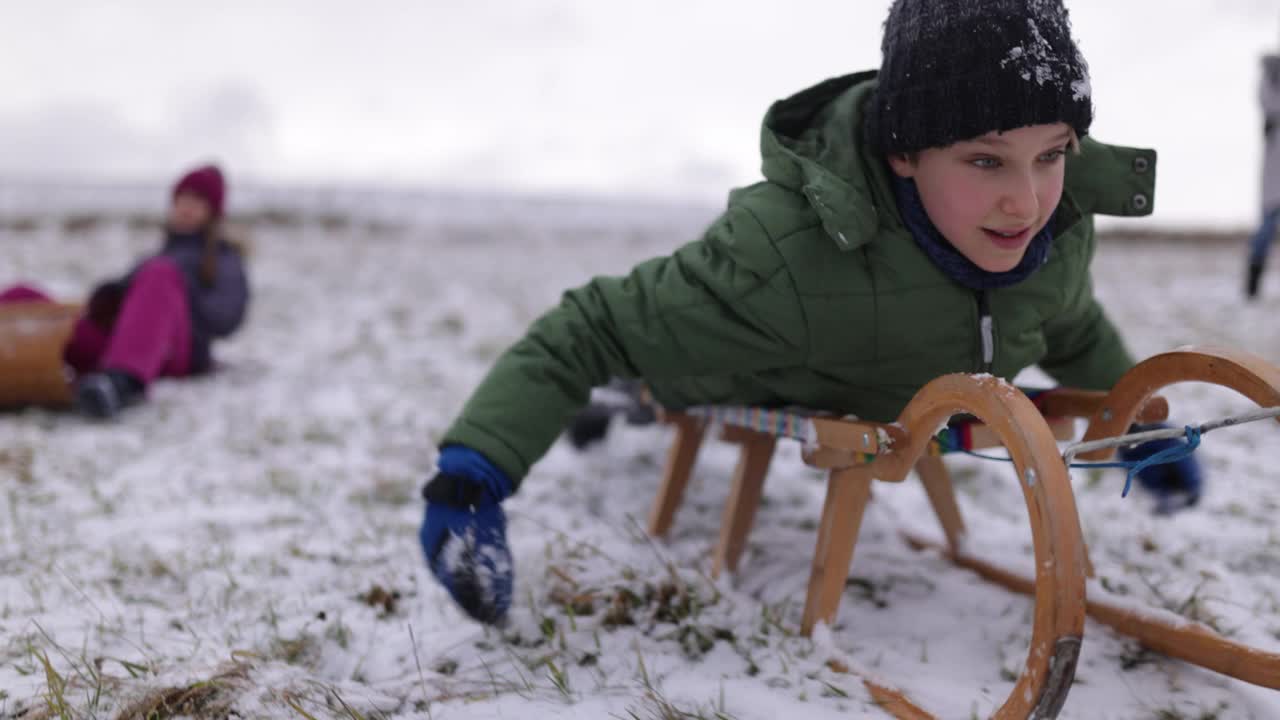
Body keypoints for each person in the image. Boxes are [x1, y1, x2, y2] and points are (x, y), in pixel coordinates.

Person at [418, 0, 1204, 624]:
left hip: (883, 376)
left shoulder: (1055, 233)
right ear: (904, 153)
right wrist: (470, 480)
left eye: (1052, 154)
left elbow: (1069, 325)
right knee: (653, 376)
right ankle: (625, 405)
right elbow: (593, 325)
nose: (1026, 199)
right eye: (985, 160)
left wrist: (1136, 421)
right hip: (744, 363)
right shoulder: (785, 256)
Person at [0, 164, 250, 418]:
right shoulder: (158, 257)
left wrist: (178, 292)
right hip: (120, 344)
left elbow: (226, 318)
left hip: (172, 354)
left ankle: (121, 384)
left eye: (197, 200)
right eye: (182, 198)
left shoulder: (222, 259)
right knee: (22, 296)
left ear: (213, 211)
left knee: (160, 274)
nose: (186, 206)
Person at [1246, 51, 1280, 299]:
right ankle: (1252, 284)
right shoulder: (1270, 81)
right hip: (1273, 177)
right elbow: (1268, 103)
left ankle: (1252, 285)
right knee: (1266, 229)